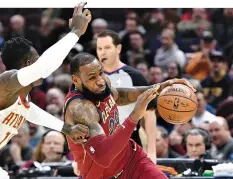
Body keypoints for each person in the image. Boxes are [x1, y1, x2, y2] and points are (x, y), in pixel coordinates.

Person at [0, 2, 91, 179]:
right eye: (36, 59)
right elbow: (44, 68)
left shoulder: (22, 96)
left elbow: (29, 111)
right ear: (27, 64)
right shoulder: (4, 83)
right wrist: (75, 33)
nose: (41, 65)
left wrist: (65, 128)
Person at [63, 52, 196, 179]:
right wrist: (134, 116)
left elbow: (119, 95)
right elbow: (103, 156)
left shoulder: (101, 84)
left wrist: (158, 88)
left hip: (131, 159)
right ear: (76, 80)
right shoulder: (81, 109)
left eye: (101, 73)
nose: (101, 81)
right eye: (92, 77)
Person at [96, 29, 158, 163]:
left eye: (107, 47)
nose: (103, 52)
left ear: (118, 48)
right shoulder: (90, 79)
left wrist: (152, 151)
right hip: (98, 143)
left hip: (130, 141)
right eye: (99, 48)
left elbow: (149, 114)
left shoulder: (135, 76)